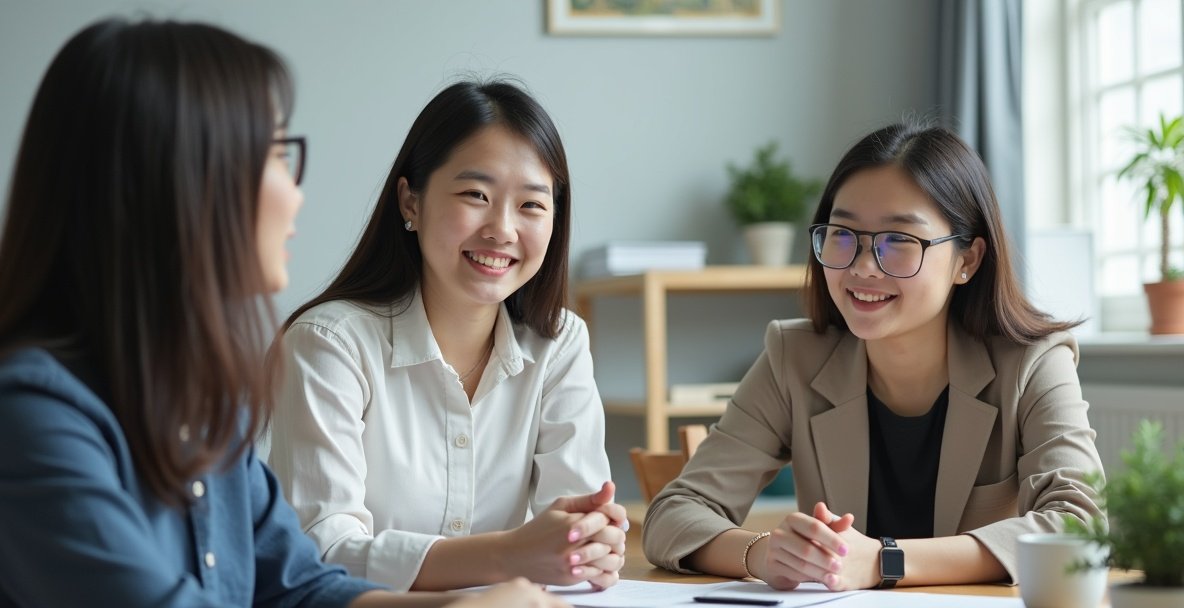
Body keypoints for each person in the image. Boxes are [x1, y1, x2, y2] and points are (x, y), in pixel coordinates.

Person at [0, 18, 566, 608]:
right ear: (175, 182)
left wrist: (461, 606)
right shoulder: (32, 417)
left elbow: (301, 588)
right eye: (274, 154)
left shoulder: (198, 406)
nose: (295, 192)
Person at [642, 122, 1106, 591]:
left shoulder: (1034, 362)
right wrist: (764, 553)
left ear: (967, 260)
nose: (863, 267)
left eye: (899, 241)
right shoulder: (794, 357)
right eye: (842, 235)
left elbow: (1080, 524)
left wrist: (887, 561)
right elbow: (672, 515)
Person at [266, 80, 625, 593]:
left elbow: (575, 530)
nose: (502, 229)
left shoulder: (559, 343)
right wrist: (509, 555)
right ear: (410, 201)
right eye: (476, 195)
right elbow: (322, 552)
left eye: (531, 205)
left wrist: (593, 545)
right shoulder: (329, 344)